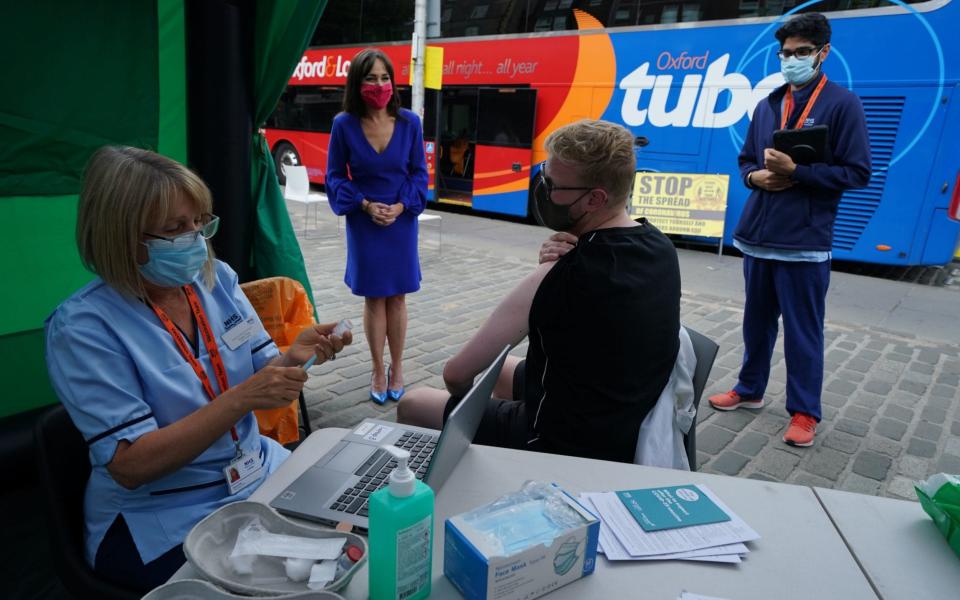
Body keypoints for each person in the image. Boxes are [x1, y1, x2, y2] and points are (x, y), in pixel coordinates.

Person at [45, 146, 353, 591]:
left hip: (255, 473)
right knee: (301, 584)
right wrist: (243, 399)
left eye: (199, 223)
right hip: (164, 516)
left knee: (358, 517)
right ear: (122, 236)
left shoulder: (216, 280)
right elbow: (130, 465)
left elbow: (262, 375)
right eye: (175, 229)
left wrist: (295, 355)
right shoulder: (83, 329)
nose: (195, 240)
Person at [398, 119, 681, 463]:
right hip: (623, 415)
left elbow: (456, 374)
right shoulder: (659, 245)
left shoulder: (566, 272)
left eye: (553, 184)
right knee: (499, 371)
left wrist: (470, 410)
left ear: (595, 198)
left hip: (560, 441)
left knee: (414, 403)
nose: (544, 188)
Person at [708, 12, 871, 447]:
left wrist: (799, 171)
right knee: (755, 323)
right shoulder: (767, 104)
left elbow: (857, 173)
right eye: (785, 53)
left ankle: (804, 412)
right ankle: (749, 390)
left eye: (801, 52)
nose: (791, 60)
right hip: (757, 238)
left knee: (803, 332)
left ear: (823, 53)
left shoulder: (842, 104)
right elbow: (746, 159)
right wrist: (753, 178)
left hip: (803, 244)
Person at [326, 48, 428, 405]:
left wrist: (401, 206)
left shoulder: (410, 123)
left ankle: (397, 368)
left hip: (401, 220)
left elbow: (419, 173)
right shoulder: (344, 124)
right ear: (358, 82)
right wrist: (366, 206)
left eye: (385, 77)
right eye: (371, 77)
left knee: (397, 296)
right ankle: (376, 366)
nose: (379, 84)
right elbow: (335, 176)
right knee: (374, 297)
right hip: (364, 219)